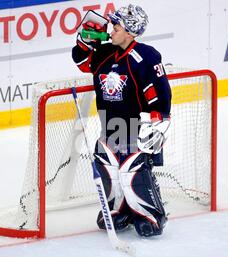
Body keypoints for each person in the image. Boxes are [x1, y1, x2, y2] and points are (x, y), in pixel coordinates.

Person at [72, 4, 172, 237]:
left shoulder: (145, 56)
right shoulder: (105, 53)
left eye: (116, 26)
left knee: (132, 172)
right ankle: (119, 212)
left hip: (135, 127)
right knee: (107, 167)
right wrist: (83, 43)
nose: (110, 29)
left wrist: (157, 126)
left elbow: (159, 94)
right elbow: (82, 62)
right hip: (109, 125)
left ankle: (151, 215)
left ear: (130, 31)